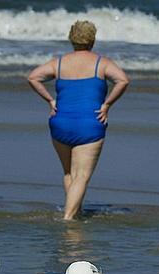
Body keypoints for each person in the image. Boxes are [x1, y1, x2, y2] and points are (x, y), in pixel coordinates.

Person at [27, 20, 129, 220]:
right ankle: (68, 218)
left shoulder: (59, 62)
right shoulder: (102, 63)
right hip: (89, 124)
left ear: (72, 39)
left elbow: (33, 77)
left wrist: (50, 100)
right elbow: (123, 80)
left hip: (60, 122)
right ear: (92, 39)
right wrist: (107, 105)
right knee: (81, 176)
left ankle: (76, 211)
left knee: (69, 174)